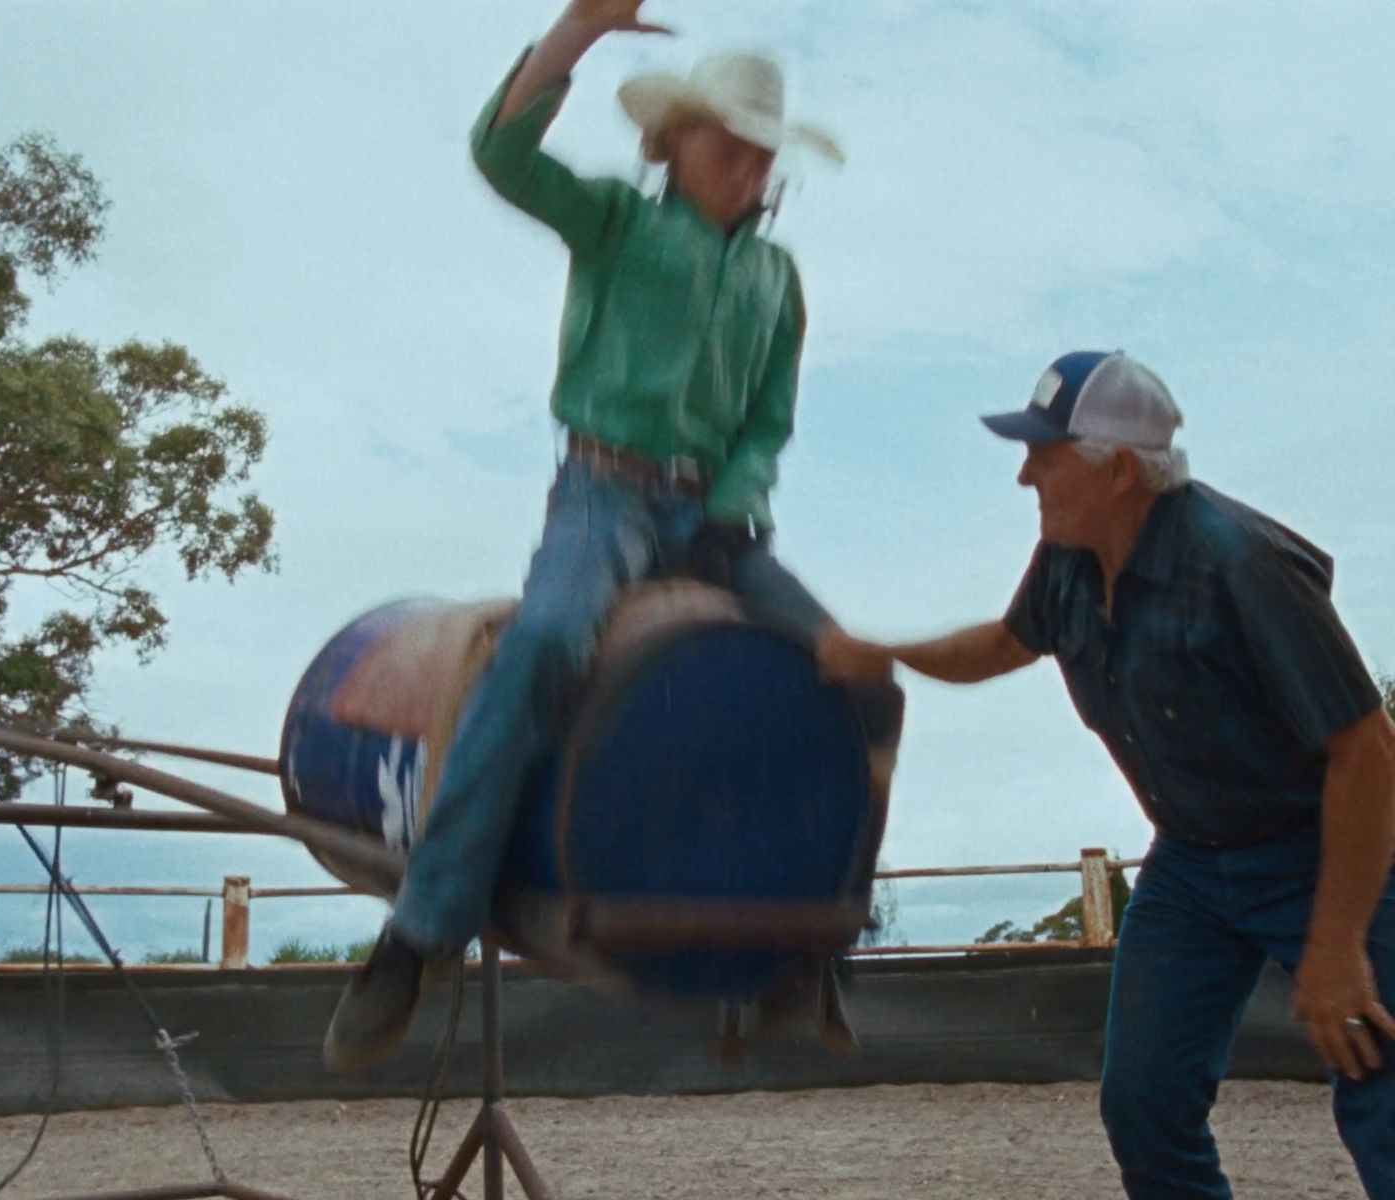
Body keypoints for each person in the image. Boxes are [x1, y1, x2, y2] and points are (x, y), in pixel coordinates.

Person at [324, 0, 903, 1073]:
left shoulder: (777, 282)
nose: (742, 159)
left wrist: (737, 500)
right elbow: (501, 156)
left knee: (868, 685)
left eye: (756, 146)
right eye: (722, 138)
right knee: (544, 643)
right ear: (670, 142)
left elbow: (768, 418)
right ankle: (418, 933)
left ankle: (813, 945)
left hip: (718, 521)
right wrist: (578, 31)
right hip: (602, 497)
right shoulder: (617, 224)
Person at [817, 348, 1395, 1198]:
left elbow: (1368, 748)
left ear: (1119, 469)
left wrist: (1339, 941)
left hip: (1322, 850)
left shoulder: (1241, 566)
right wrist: (883, 654)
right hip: (1194, 865)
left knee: (1381, 1090)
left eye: (1044, 455)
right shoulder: (1068, 562)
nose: (1025, 475)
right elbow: (1002, 645)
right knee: (1144, 1105)